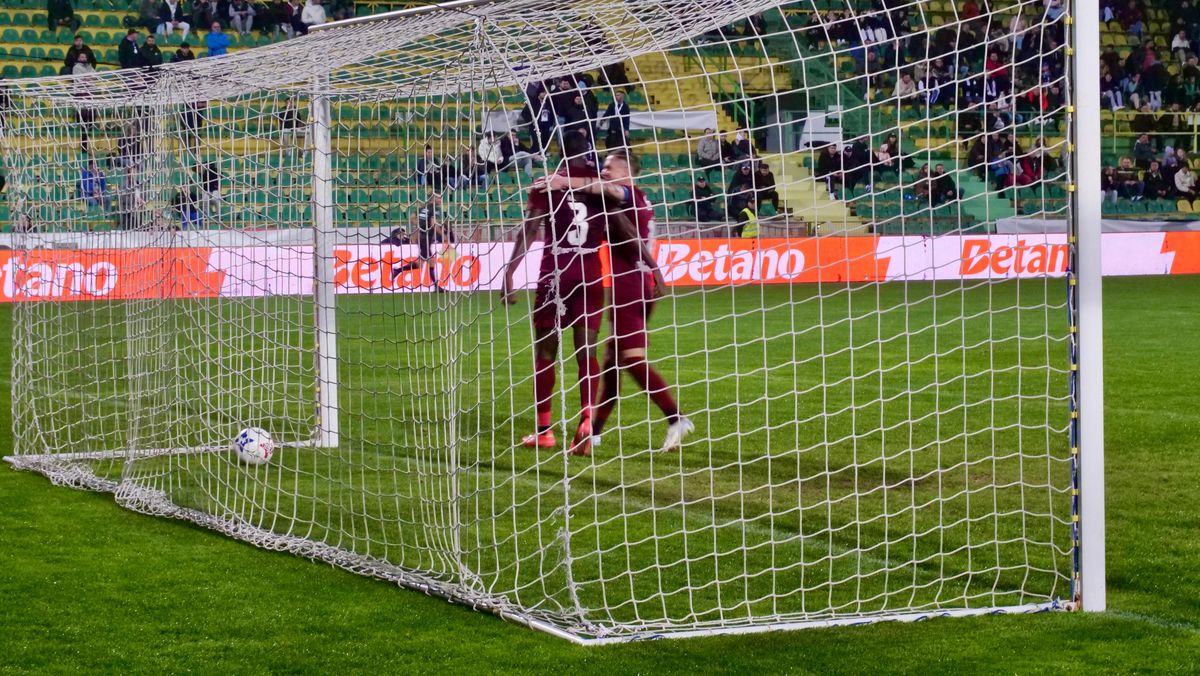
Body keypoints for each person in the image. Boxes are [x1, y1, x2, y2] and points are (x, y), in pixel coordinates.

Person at [535, 149, 689, 454]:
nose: (605, 172)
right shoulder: (639, 198)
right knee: (611, 365)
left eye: (611, 167)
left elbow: (603, 190)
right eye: (603, 167)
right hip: (633, 283)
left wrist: (562, 181)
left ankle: (676, 418)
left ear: (627, 172)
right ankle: (593, 433)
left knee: (631, 359)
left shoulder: (626, 194)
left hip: (630, 284)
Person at [500, 132, 614, 456]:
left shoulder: (546, 184)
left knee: (545, 352)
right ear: (588, 152)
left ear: (559, 152)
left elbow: (530, 228)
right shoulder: (600, 186)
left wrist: (509, 272)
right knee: (587, 352)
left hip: (556, 272)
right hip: (590, 272)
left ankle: (544, 431)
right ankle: (587, 421)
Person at [390, 192, 445, 290]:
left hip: (422, 238)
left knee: (421, 264)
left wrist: (420, 225)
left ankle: (398, 270)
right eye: (438, 198)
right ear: (433, 199)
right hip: (425, 238)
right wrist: (443, 235)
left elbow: (412, 217)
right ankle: (436, 287)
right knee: (430, 262)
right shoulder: (434, 209)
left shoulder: (423, 208)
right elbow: (433, 223)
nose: (440, 200)